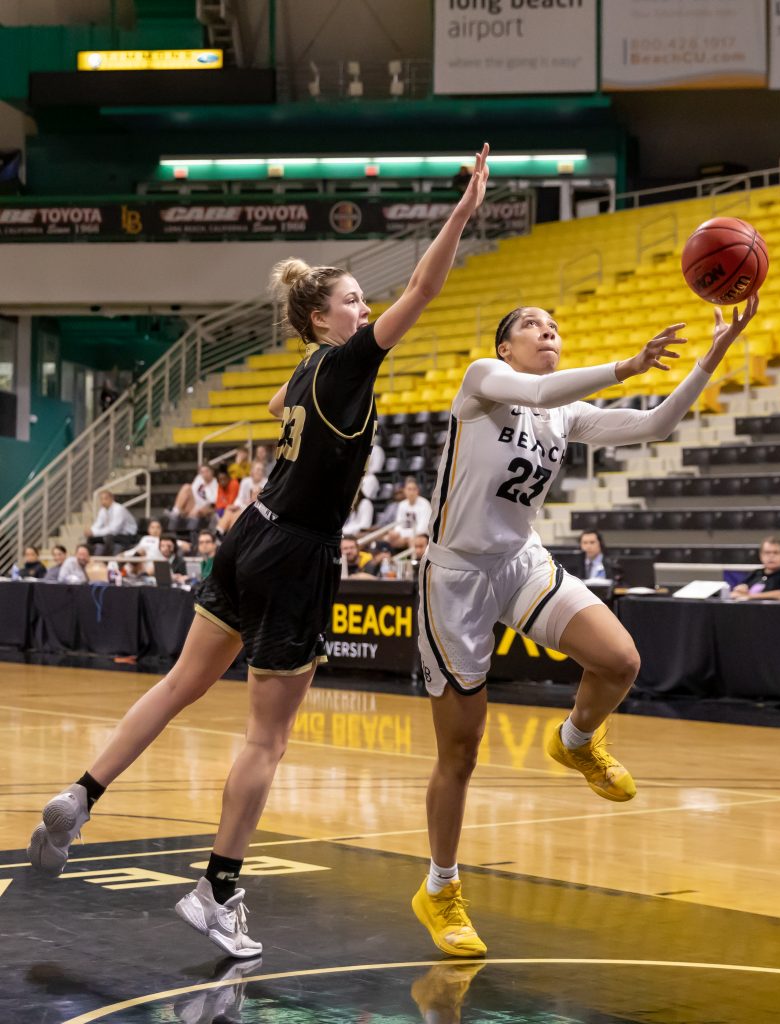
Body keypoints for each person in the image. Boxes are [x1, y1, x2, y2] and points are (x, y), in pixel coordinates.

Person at [28, 143, 492, 962]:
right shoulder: (345, 361)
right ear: (322, 320)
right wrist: (462, 210)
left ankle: (82, 792)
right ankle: (216, 890)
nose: (366, 308)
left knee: (180, 683)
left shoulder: (308, 369)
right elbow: (425, 287)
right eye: (353, 301)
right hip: (297, 551)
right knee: (264, 739)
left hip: (250, 531)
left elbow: (280, 402)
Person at [411, 295, 759, 958]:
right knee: (460, 751)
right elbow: (540, 388)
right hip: (455, 576)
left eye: (555, 326)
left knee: (619, 660)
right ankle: (440, 888)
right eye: (533, 324)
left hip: (520, 562)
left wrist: (710, 358)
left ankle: (574, 740)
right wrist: (628, 365)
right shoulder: (483, 379)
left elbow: (656, 424)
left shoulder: (561, 415)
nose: (548, 331)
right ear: (505, 346)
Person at [730, 536, 780, 601]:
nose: (771, 556)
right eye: (767, 553)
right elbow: (737, 592)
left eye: (776, 552)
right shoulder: (756, 573)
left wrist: (749, 596)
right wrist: (740, 590)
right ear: (761, 555)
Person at [219, 460, 269, 534]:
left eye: (262, 470)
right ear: (252, 471)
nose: (260, 472)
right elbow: (240, 498)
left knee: (236, 515)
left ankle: (227, 533)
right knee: (229, 509)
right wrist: (236, 505)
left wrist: (243, 505)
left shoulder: (266, 483)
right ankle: (220, 531)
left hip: (257, 510)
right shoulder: (245, 481)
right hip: (244, 506)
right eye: (258, 469)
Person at [86, 490, 138, 556]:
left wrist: (94, 532)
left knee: (108, 538)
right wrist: (91, 531)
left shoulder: (119, 509)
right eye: (101, 499)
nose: (103, 501)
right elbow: (98, 524)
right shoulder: (103, 510)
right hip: (115, 536)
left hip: (128, 536)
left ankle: (109, 560)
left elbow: (114, 530)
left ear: (112, 498)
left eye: (105, 499)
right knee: (91, 539)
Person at [386, 477, 432, 551]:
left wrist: (403, 536)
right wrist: (396, 533)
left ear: (418, 491)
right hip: (406, 535)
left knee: (412, 541)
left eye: (414, 489)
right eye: (409, 489)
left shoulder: (425, 504)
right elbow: (398, 525)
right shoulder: (402, 504)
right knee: (388, 538)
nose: (411, 492)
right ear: (404, 490)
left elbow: (422, 529)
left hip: (423, 535)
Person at [168, 464, 218, 531]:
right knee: (186, 487)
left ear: (212, 472)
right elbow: (192, 490)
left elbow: (212, 504)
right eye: (202, 472)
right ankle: (175, 512)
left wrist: (198, 509)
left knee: (202, 510)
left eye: (207, 471)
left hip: (203, 508)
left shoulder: (216, 484)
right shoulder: (199, 478)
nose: (204, 474)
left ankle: (185, 518)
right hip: (192, 504)